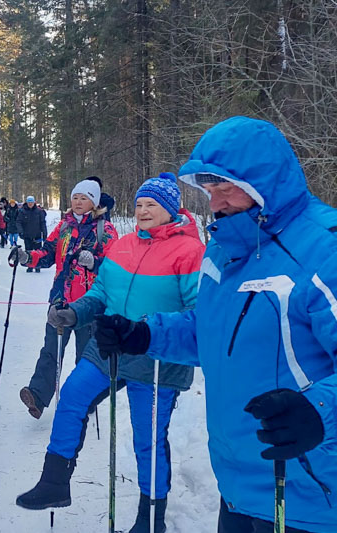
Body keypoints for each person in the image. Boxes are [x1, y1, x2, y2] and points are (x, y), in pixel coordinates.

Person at [95, 117, 337, 533]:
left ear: (264, 180)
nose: (216, 202)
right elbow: (210, 330)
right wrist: (145, 333)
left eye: (225, 187)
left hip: (310, 496)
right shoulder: (223, 249)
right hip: (238, 487)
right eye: (209, 190)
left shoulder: (323, 250)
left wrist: (320, 411)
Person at [14, 173, 204, 533]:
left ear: (169, 210)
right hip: (112, 347)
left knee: (147, 440)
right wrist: (75, 310)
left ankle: (150, 521)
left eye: (152, 205)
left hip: (158, 358)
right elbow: (100, 293)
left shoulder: (190, 251)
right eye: (139, 205)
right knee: (71, 395)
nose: (143, 210)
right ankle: (54, 482)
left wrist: (150, 330)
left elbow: (200, 315)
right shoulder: (125, 245)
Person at [14, 178, 118, 419]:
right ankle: (37, 397)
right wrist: (26, 257)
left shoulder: (106, 230)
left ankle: (85, 399)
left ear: (94, 202)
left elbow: (115, 268)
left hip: (90, 304)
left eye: (84, 198)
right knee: (51, 350)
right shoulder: (63, 227)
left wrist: (93, 263)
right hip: (61, 300)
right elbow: (48, 253)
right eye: (75, 197)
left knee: (85, 356)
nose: (79, 202)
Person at [17, 195, 48, 272]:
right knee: (28, 251)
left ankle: (37, 266)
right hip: (27, 235)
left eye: (31, 202)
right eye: (29, 202)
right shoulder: (22, 211)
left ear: (34, 203)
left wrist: (44, 234)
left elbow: (43, 223)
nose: (30, 204)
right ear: (27, 203)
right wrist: (20, 231)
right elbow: (18, 222)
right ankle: (30, 265)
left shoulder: (39, 211)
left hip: (37, 235)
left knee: (37, 251)